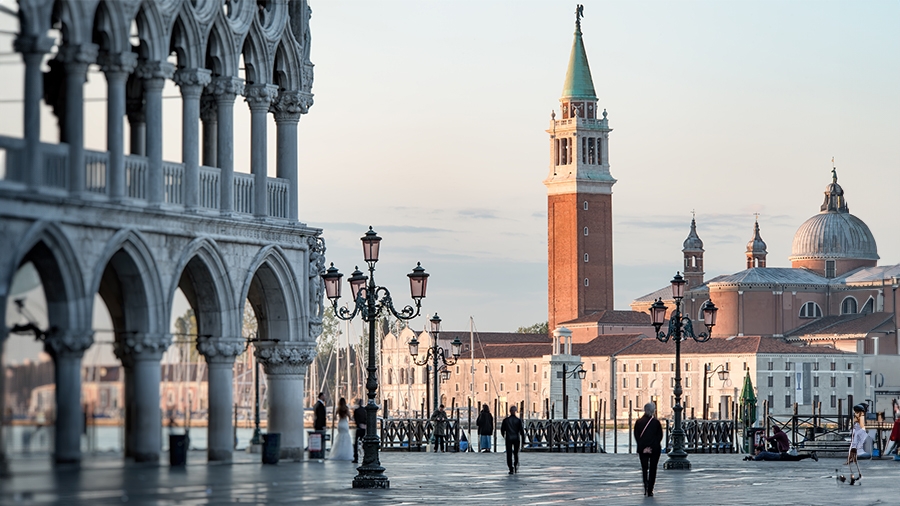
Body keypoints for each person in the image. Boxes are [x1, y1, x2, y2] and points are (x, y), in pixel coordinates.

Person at [633, 402, 663, 497]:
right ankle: (650, 489)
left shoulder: (638, 422)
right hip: (654, 450)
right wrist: (651, 447)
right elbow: (659, 436)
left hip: (642, 449)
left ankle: (645, 486)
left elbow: (637, 436)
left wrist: (644, 447)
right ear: (652, 411)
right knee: (653, 469)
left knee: (644, 468)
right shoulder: (656, 422)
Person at [500, 406, 525, 474]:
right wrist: (523, 440)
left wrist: (504, 436)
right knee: (516, 453)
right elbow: (521, 431)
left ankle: (510, 468)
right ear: (515, 411)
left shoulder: (506, 420)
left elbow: (502, 430)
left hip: (508, 438)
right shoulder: (518, 420)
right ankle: (516, 465)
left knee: (509, 454)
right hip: (516, 438)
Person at [353, 398, 366, 463]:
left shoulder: (356, 410)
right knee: (365, 443)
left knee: (356, 443)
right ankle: (365, 457)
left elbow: (355, 419)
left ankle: (356, 457)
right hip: (365, 428)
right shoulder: (365, 410)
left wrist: (359, 425)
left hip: (359, 427)